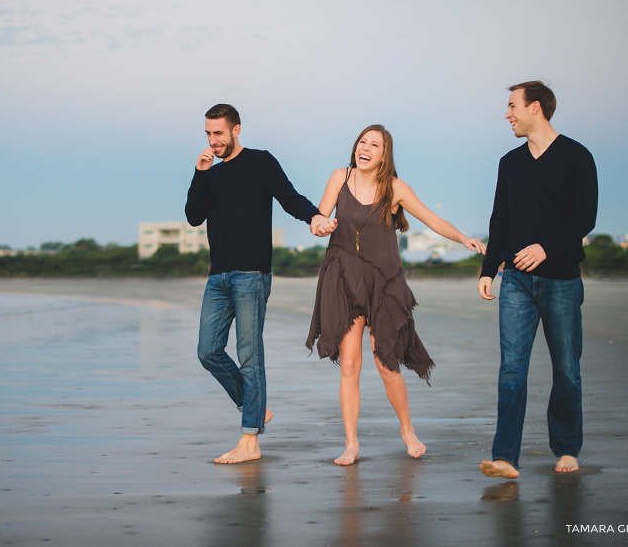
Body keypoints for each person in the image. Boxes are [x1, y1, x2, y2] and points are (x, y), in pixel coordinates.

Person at [306, 124, 485, 466]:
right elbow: (318, 217)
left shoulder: (395, 188)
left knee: (385, 362)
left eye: (374, 145)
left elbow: (432, 220)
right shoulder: (338, 177)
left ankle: (406, 429)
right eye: (362, 142)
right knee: (349, 364)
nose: (366, 148)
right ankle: (351, 444)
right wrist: (319, 225)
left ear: (384, 155)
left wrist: (464, 239)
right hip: (342, 279)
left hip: (383, 282)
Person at [186, 103, 336, 464]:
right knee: (208, 351)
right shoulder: (212, 172)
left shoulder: (260, 162)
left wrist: (314, 216)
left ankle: (249, 441)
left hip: (251, 274)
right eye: (207, 133)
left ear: (236, 130)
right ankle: (253, 406)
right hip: (218, 275)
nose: (212, 140)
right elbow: (193, 217)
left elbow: (288, 197)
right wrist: (199, 173)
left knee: (250, 356)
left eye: (218, 133)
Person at [477, 81, 598, 479]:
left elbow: (584, 219)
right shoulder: (509, 163)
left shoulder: (577, 157)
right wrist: (488, 269)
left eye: (512, 106)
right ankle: (505, 458)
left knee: (566, 368)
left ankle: (566, 448)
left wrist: (545, 248)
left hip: (562, 280)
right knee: (512, 369)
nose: (507, 114)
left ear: (536, 108)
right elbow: (500, 221)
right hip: (515, 283)